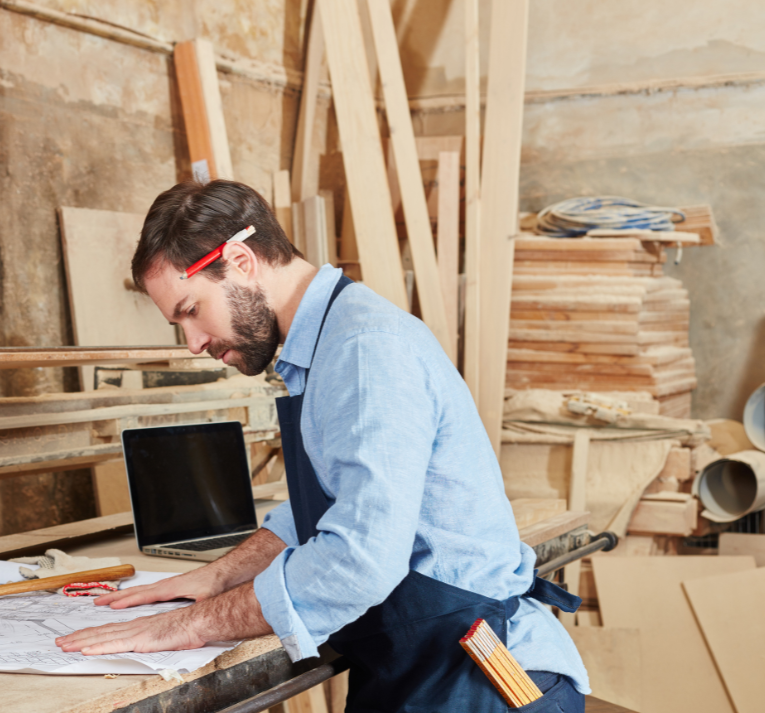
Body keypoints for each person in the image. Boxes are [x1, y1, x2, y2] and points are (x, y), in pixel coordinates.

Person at [55, 179, 590, 712]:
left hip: (474, 680)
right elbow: (335, 502)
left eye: (190, 310)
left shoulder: (363, 349)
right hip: (422, 665)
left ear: (240, 261)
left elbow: (360, 557)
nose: (193, 343)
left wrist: (191, 625)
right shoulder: (332, 341)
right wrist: (220, 575)